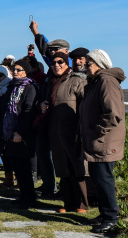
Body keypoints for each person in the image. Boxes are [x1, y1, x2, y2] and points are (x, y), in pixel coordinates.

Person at [79, 49, 126, 233]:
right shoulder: (95, 82)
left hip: (104, 141)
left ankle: (111, 218)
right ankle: (105, 213)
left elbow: (113, 113)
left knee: (104, 179)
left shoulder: (106, 81)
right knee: (98, 179)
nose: (85, 66)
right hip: (97, 141)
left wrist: (97, 130)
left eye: (89, 63)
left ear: (100, 64)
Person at [37, 52, 88, 213]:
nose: (56, 65)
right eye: (53, 63)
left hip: (72, 131)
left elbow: (85, 105)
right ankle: (68, 203)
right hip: (55, 130)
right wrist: (41, 104)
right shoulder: (50, 82)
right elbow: (42, 100)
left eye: (60, 62)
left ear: (67, 64)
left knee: (77, 167)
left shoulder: (76, 81)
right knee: (62, 167)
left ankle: (82, 204)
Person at [0, 59, 38, 209]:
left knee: (24, 168)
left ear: (26, 72)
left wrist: (20, 132)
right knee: (17, 167)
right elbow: (4, 112)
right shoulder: (11, 87)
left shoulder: (30, 87)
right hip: (9, 134)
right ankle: (23, 196)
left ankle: (30, 198)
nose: (15, 72)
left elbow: (29, 111)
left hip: (23, 134)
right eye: (14, 70)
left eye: (19, 70)